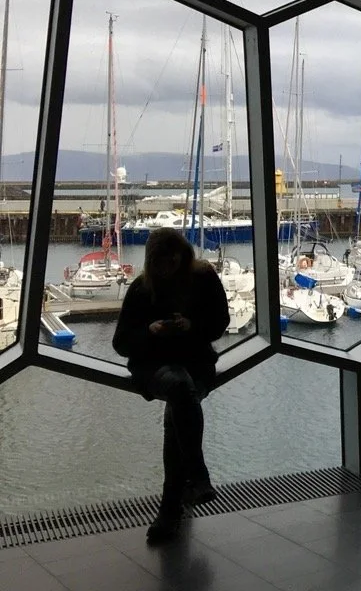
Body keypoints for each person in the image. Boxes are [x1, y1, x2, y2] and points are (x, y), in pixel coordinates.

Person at [112, 227, 230, 543]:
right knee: (181, 394)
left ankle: (172, 508)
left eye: (171, 261)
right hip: (178, 364)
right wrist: (154, 331)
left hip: (169, 366)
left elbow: (220, 323)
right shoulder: (147, 288)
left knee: (177, 406)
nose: (167, 269)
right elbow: (121, 343)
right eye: (162, 263)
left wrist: (185, 327)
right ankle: (196, 478)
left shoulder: (150, 287)